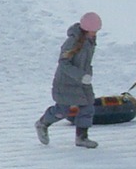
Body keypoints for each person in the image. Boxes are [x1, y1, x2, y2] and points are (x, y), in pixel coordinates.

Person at [36, 12, 102, 147]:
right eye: (93, 30)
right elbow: (63, 63)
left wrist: (87, 75)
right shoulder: (72, 42)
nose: (95, 33)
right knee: (62, 110)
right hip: (66, 82)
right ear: (86, 29)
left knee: (88, 107)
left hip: (83, 82)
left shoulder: (90, 41)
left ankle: (82, 137)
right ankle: (42, 123)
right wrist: (80, 75)